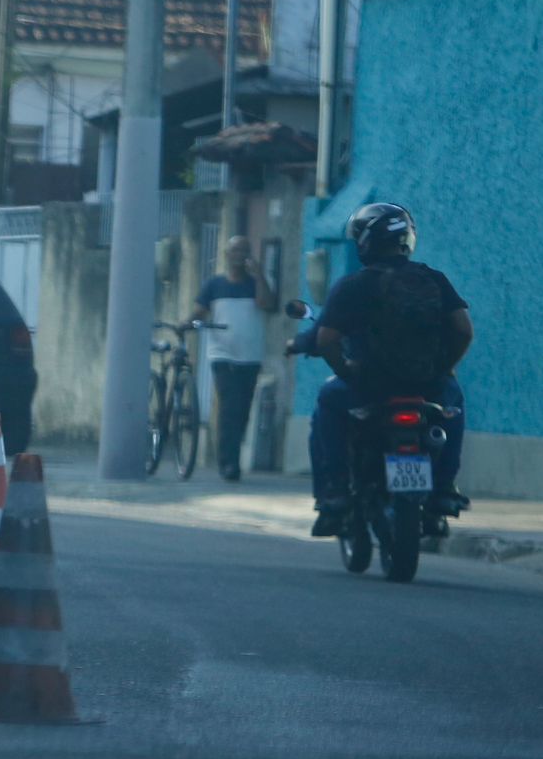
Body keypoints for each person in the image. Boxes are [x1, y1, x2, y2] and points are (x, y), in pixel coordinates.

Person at [306, 202, 473, 537]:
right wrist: (444, 368)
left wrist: (347, 371)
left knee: (327, 401)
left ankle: (335, 491)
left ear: (365, 242)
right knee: (453, 404)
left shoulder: (354, 285)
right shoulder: (434, 279)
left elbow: (325, 340)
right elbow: (464, 331)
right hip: (427, 385)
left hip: (370, 387)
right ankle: (443, 488)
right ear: (407, 240)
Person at [192, 235, 275, 480]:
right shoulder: (214, 285)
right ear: (227, 255)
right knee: (229, 408)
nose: (239, 256)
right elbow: (199, 310)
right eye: (235, 251)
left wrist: (259, 274)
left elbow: (266, 303)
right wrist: (189, 322)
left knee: (243, 411)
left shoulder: (257, 283)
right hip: (222, 355)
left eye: (244, 251)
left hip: (249, 357)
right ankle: (228, 463)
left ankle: (232, 456)